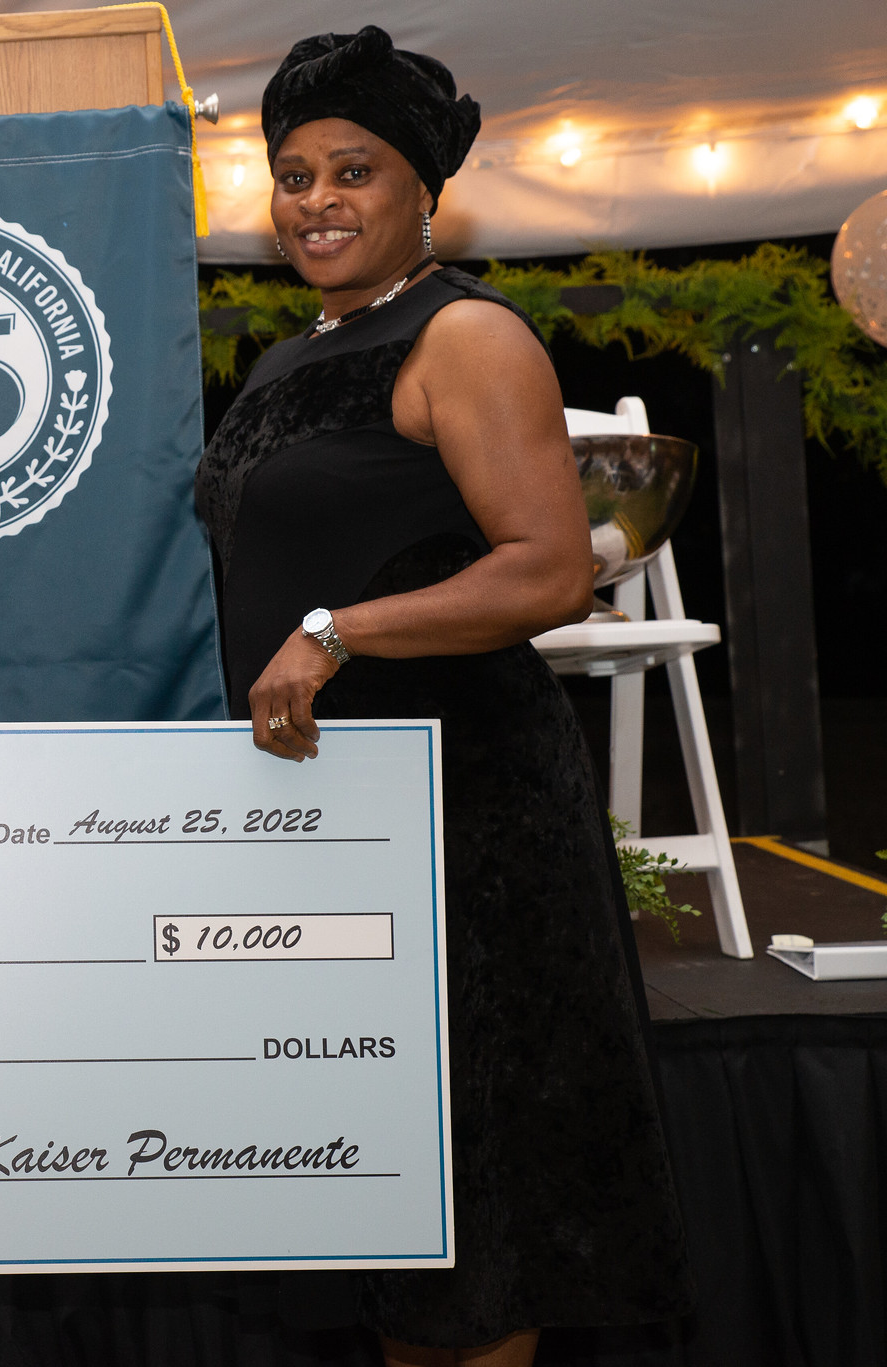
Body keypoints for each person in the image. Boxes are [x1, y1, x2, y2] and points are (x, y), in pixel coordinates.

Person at [193, 27, 694, 1367]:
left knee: (481, 1208)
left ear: (426, 193)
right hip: (334, 822)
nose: (316, 202)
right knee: (391, 1212)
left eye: (352, 171)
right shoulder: (296, 358)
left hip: (462, 819)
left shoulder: (464, 333)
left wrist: (331, 632)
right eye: (292, 175)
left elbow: (545, 572)